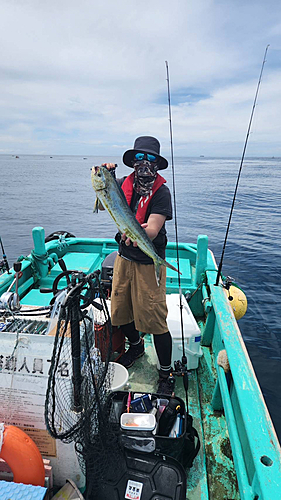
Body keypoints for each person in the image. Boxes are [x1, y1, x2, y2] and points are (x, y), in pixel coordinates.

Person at [103, 136, 175, 395]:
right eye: (140, 158)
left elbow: (153, 229)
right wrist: (107, 180)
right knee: (120, 310)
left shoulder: (162, 193)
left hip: (148, 262)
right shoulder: (121, 185)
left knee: (155, 320)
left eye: (151, 159)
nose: (145, 164)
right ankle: (135, 347)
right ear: (132, 162)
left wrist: (139, 234)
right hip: (123, 259)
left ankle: (165, 372)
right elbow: (105, 203)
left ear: (158, 164)